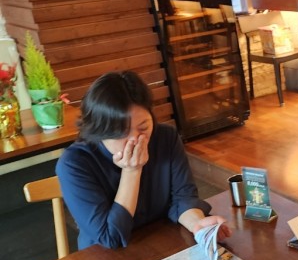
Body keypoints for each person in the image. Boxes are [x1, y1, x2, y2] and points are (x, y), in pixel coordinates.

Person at [56, 71, 230, 250]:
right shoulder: (74, 164)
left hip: (160, 242)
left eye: (143, 127)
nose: (136, 140)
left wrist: (197, 224)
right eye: (121, 132)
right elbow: (110, 237)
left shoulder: (166, 138)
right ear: (100, 131)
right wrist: (132, 171)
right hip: (106, 257)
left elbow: (183, 197)